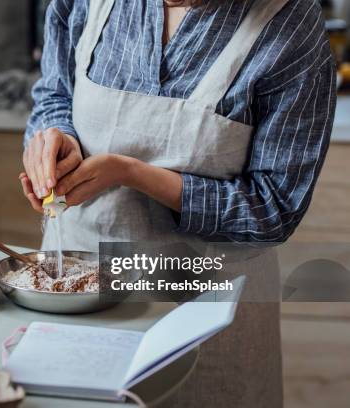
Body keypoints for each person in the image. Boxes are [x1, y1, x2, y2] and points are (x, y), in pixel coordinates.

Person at [20, 0, 336, 406]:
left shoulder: (289, 22)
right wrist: (52, 137)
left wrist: (131, 173)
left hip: (208, 316)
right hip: (82, 304)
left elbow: (272, 210)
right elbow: (55, 93)